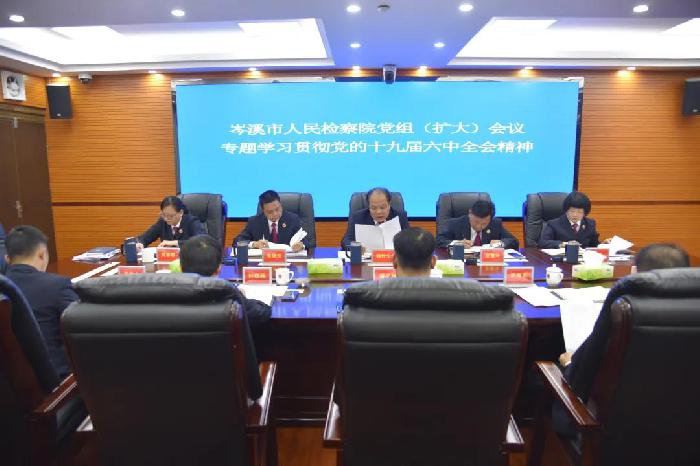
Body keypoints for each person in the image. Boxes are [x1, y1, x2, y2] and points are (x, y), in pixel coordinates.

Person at [554, 243, 690, 436]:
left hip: (616, 433)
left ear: (634, 273)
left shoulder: (624, 315)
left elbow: (582, 375)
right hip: (688, 429)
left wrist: (569, 363)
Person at [4, 225, 77, 378]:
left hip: (9, 384)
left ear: (7, 259)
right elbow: (82, 327)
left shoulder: (4, 288)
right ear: (42, 254)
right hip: (55, 382)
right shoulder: (57, 286)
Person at [180, 235, 271, 328]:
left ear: (181, 267)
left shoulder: (173, 293)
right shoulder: (227, 293)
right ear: (219, 269)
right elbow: (263, 312)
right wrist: (241, 297)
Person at [235, 190, 308, 252]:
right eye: (270, 212)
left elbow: (306, 241)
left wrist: (301, 245)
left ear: (280, 205)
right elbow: (237, 241)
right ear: (263, 211)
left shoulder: (293, 219)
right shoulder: (254, 222)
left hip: (287, 261)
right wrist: (254, 244)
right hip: (263, 262)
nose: (275, 214)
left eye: (277, 209)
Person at [341, 187, 410, 250]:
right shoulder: (357, 217)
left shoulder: (400, 216)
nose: (378, 212)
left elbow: (409, 239)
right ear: (369, 206)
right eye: (374, 208)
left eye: (382, 207)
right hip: (366, 257)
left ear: (389, 204)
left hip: (392, 257)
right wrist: (356, 248)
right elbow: (346, 241)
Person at [436, 200, 518, 249]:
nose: (479, 226)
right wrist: (456, 243)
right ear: (470, 213)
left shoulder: (495, 224)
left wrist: (501, 243)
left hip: (487, 264)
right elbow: (438, 241)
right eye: (476, 222)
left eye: (484, 224)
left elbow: (514, 241)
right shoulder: (456, 223)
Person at [538, 191, 602, 249]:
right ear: (566, 210)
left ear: (585, 213)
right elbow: (542, 243)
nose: (575, 215)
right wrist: (562, 244)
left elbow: (595, 245)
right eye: (572, 211)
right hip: (562, 257)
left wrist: (604, 244)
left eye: (579, 212)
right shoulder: (554, 224)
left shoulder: (590, 224)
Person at [137, 196, 206, 249]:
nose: (166, 218)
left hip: (187, 260)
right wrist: (140, 243)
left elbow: (201, 241)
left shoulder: (191, 222)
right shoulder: (162, 222)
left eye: (170, 216)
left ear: (181, 212)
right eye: (164, 215)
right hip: (167, 260)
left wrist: (176, 243)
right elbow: (146, 237)